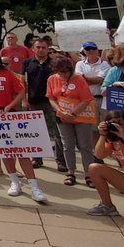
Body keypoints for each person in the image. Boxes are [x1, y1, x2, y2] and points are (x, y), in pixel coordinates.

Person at [0, 43, 47, 202]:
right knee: (4, 151)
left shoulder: (6, 73)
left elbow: (21, 91)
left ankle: (34, 186)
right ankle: (14, 182)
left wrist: (10, 106)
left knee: (21, 151)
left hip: (9, 113)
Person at [46, 56, 97, 186]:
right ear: (56, 70)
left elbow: (86, 99)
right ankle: (71, 172)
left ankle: (89, 174)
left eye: (67, 71)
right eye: (61, 72)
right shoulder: (51, 79)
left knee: (85, 146)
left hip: (81, 116)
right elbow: (51, 98)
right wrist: (59, 111)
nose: (65, 74)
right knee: (67, 145)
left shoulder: (79, 79)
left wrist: (73, 113)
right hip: (62, 117)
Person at [22, 38, 66, 172]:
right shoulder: (27, 63)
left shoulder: (54, 63)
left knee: (58, 132)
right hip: (34, 101)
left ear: (48, 49)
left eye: (43, 47)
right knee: (36, 132)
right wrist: (24, 100)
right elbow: (22, 83)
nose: (41, 50)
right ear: (33, 49)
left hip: (52, 102)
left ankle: (61, 161)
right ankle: (37, 158)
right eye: (38, 47)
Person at [87, 115, 124, 223]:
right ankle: (108, 207)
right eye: (113, 123)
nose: (117, 126)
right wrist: (102, 135)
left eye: (120, 123)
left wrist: (123, 136)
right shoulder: (112, 141)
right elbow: (99, 155)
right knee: (94, 168)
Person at [75, 42, 110, 123]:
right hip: (87, 100)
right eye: (88, 49)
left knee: (106, 124)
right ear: (84, 51)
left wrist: (85, 77)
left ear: (97, 50)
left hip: (103, 99)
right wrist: (97, 80)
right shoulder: (79, 64)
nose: (91, 51)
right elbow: (79, 81)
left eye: (93, 48)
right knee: (92, 127)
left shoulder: (105, 64)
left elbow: (101, 80)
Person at [101, 43, 124, 109]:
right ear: (122, 55)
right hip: (121, 112)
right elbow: (103, 93)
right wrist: (114, 85)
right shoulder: (114, 70)